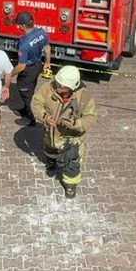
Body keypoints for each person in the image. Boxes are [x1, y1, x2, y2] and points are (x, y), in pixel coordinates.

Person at [31, 65, 96, 199]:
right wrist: (44, 117)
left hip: (71, 140)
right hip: (51, 134)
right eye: (58, 83)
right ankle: (51, 162)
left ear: (72, 87)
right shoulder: (47, 88)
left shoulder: (84, 96)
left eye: (62, 86)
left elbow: (90, 117)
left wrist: (75, 124)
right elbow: (36, 103)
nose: (58, 88)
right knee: (50, 150)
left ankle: (70, 186)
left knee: (71, 164)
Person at [11, 12, 51, 127]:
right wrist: (47, 63)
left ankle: (30, 118)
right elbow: (47, 48)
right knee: (30, 90)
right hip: (38, 66)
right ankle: (25, 109)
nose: (18, 27)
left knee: (26, 94)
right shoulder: (42, 33)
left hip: (27, 71)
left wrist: (9, 75)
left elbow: (21, 66)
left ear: (23, 26)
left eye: (19, 25)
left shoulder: (24, 44)